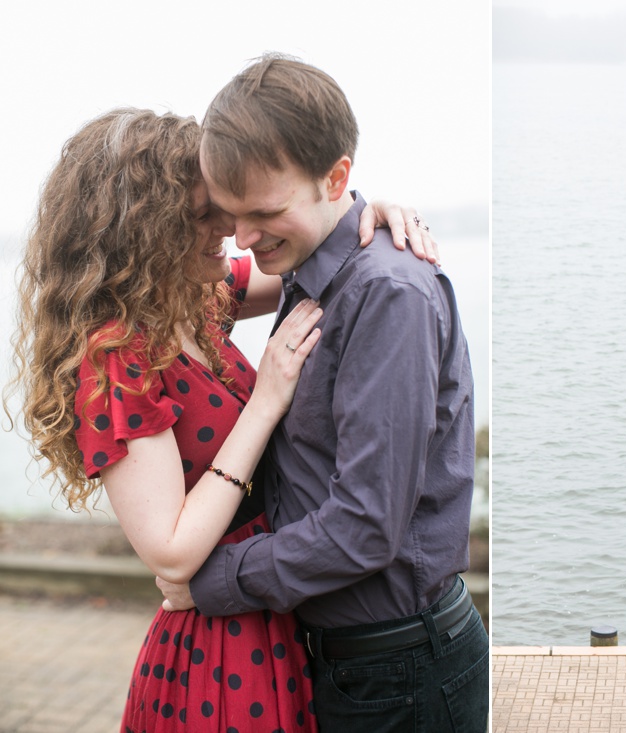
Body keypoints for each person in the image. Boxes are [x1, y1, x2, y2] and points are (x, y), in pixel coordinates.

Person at [9, 107, 436, 732]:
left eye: (228, 208)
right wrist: (265, 403)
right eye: (204, 215)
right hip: (220, 650)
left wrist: (368, 213)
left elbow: (310, 255)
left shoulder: (192, 300)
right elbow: (171, 552)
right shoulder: (114, 357)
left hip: (271, 607)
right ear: (143, 231)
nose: (231, 229)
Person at [158, 54, 489, 732]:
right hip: (357, 661)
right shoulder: (313, 268)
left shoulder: (386, 294)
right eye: (230, 215)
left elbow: (365, 525)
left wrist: (210, 580)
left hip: (399, 669)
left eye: (264, 212)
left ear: (336, 176)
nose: (245, 237)